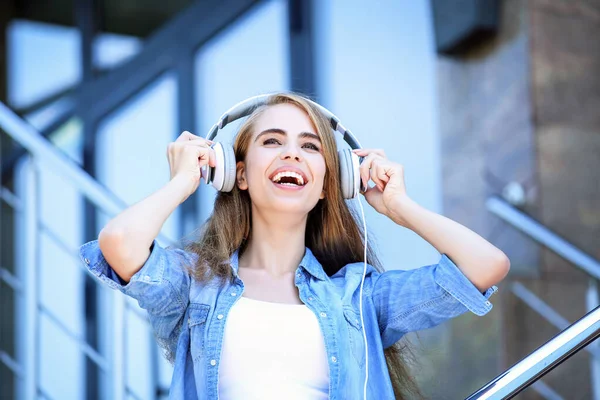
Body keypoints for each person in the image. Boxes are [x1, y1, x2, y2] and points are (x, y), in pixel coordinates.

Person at [79, 92, 510, 399]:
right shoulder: (195, 286)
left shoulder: (358, 297)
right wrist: (182, 182)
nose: (292, 154)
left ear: (329, 184)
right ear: (237, 174)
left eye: (310, 146)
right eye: (272, 141)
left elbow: (485, 266)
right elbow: (119, 245)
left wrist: (400, 207)